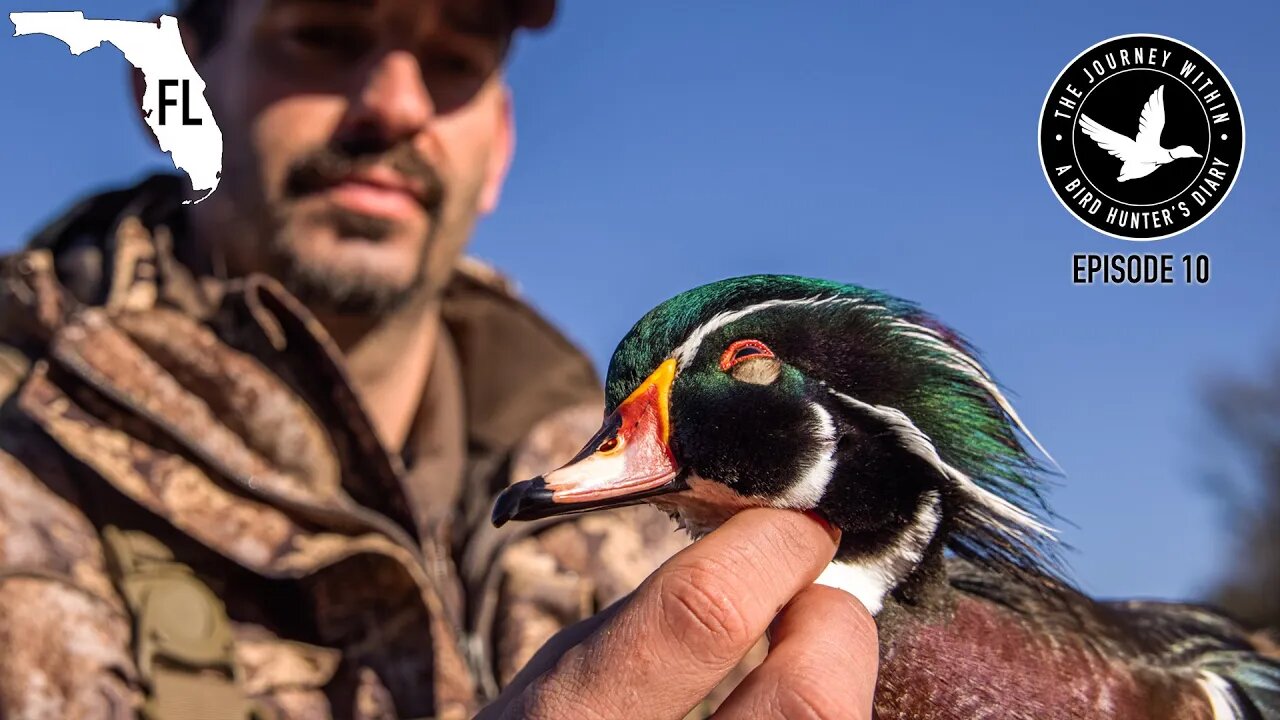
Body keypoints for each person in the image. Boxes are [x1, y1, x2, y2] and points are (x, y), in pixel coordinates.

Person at [0, 0, 877, 718]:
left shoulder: (655, 483)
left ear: (496, 148)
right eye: (324, 37)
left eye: (455, 59)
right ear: (171, 91)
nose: (395, 105)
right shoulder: (19, 447)